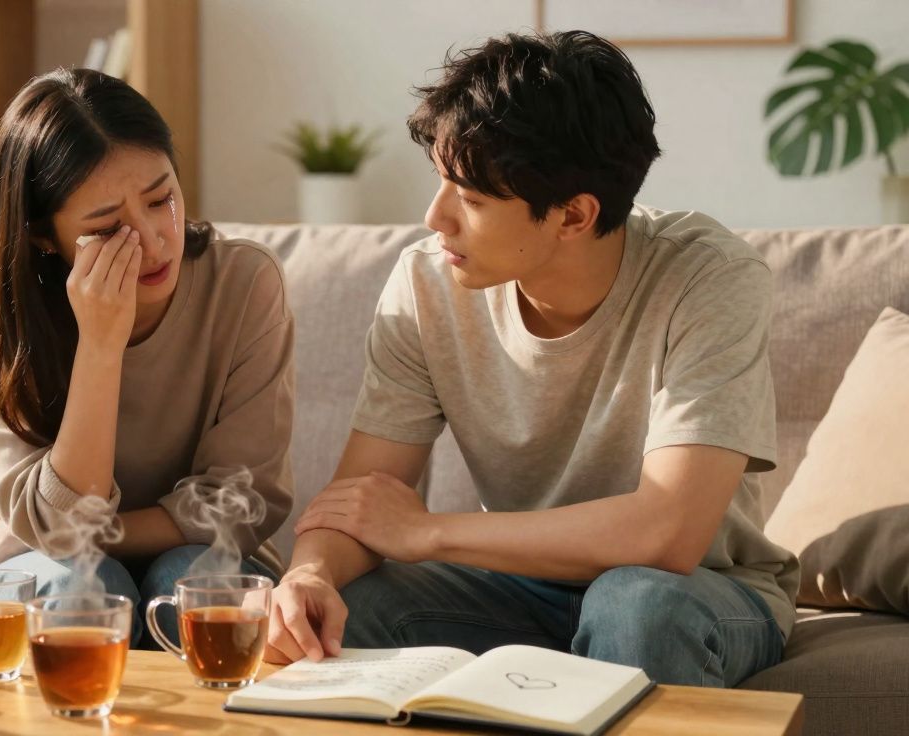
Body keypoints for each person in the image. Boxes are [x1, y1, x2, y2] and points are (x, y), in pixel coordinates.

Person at [265, 31, 797, 688]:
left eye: (473, 199)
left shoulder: (710, 278)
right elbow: (356, 503)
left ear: (574, 216)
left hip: (697, 591)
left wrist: (428, 532)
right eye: (441, 185)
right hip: (514, 589)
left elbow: (668, 533)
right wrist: (310, 574)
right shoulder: (426, 284)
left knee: (636, 606)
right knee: (345, 617)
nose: (436, 219)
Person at [0, 68, 294, 648]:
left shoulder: (246, 284)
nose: (151, 240)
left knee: (190, 583)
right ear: (43, 236)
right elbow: (66, 539)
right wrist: (101, 343)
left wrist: (58, 532)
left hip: (188, 555)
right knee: (82, 587)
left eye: (161, 199)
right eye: (107, 226)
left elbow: (241, 503)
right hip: (49, 569)